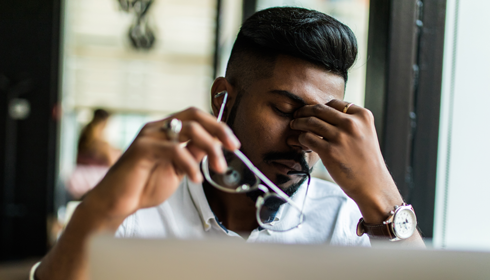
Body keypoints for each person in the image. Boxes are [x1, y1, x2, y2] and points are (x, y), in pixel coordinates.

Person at [34, 7, 423, 280]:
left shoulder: (349, 225)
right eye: (285, 109)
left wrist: (383, 197)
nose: (302, 138)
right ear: (223, 98)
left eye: (323, 120)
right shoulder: (141, 210)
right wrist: (105, 205)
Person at [67, 109, 121, 198]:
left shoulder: (85, 133)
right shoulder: (101, 144)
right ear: (105, 123)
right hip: (89, 183)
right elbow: (113, 163)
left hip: (78, 180)